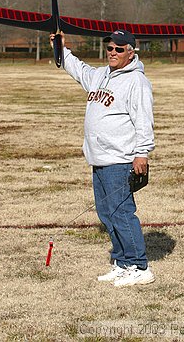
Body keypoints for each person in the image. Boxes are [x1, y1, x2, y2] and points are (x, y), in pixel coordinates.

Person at [50, 29, 155, 287]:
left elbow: (143, 120)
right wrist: (60, 48)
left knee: (121, 213)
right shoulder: (100, 75)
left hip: (120, 159)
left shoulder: (136, 82)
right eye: (110, 48)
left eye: (119, 49)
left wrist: (142, 153)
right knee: (106, 213)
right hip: (99, 158)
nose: (113, 53)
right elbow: (78, 69)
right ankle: (122, 262)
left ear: (131, 52)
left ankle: (139, 266)